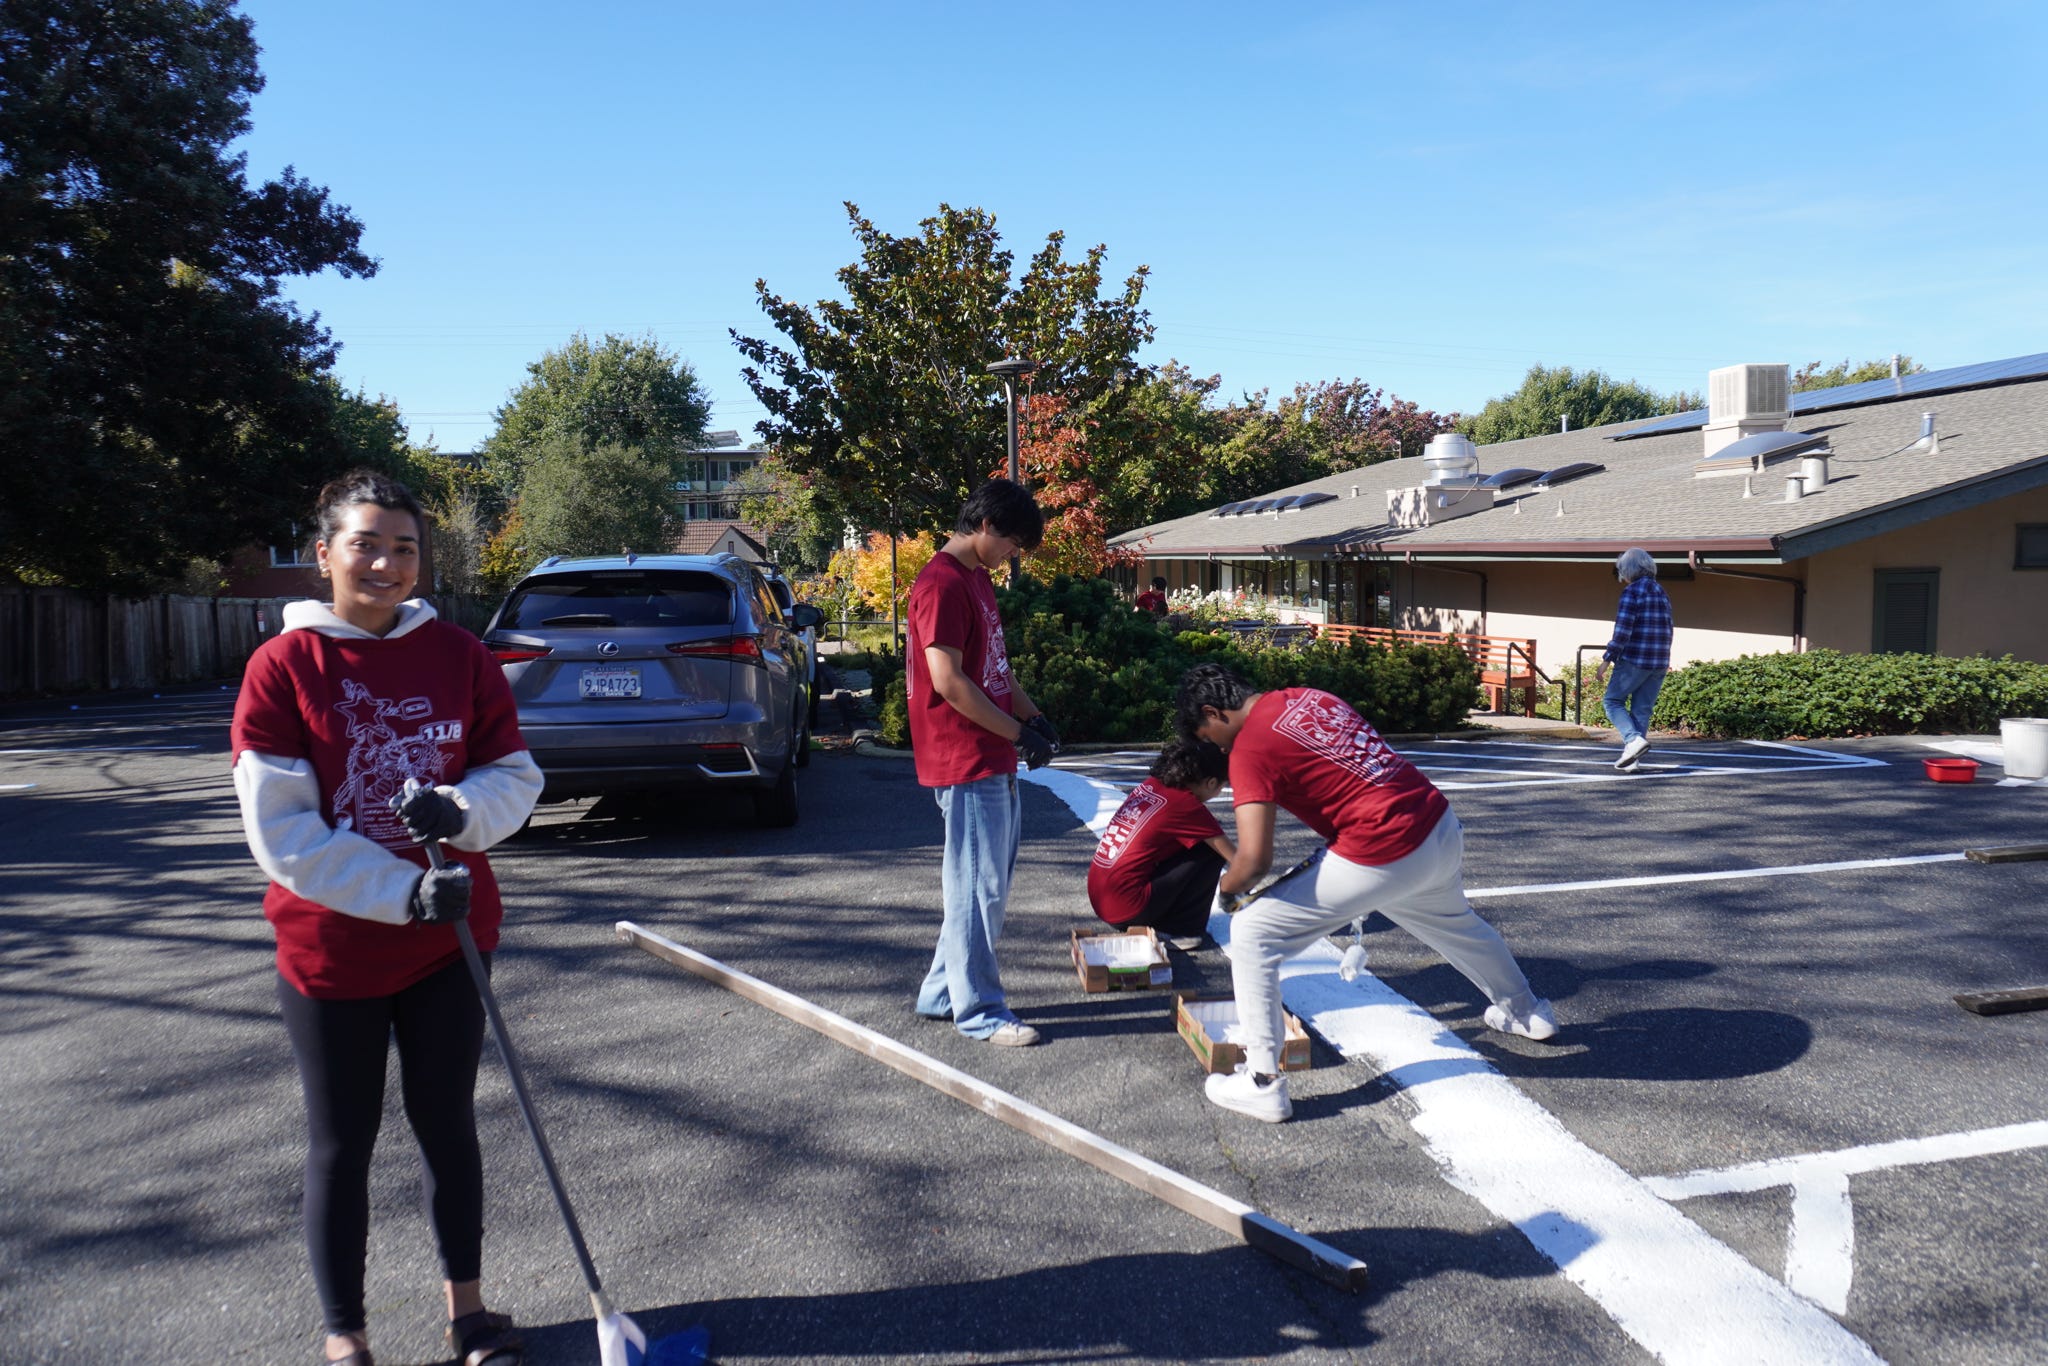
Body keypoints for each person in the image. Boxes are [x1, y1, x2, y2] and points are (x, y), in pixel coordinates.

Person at [232, 469, 543, 1366]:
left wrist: (462, 811)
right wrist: (399, 891)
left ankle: (470, 1315)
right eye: (366, 543)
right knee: (343, 1142)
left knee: (447, 1121)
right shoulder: (284, 667)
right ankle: (347, 1336)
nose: (386, 562)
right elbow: (282, 829)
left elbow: (513, 775)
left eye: (404, 547)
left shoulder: (458, 655)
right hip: (332, 951)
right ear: (324, 552)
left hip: (451, 941)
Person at [1177, 662, 1556, 1123]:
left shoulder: (1249, 748)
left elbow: (1254, 860)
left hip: (1382, 845)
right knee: (1459, 926)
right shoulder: (1311, 696)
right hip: (1434, 823)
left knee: (1254, 931)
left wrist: (1228, 891)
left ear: (1214, 712)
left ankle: (1262, 1083)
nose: (1216, 747)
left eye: (1209, 736)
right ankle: (1527, 1011)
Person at [906, 478, 1058, 1046]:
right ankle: (981, 1013)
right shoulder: (942, 583)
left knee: (981, 886)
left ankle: (943, 993)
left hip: (990, 753)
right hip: (965, 756)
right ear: (987, 526)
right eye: (1014, 544)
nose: (1014, 555)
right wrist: (1018, 734)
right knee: (978, 890)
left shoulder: (975, 578)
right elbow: (948, 681)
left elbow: (995, 667)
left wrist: (1034, 719)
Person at [1087, 738, 1235, 949]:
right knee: (1210, 851)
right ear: (1211, 782)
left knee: (1201, 839)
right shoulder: (1186, 805)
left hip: (1103, 900)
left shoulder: (1152, 785)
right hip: (1128, 908)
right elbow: (1237, 859)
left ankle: (1161, 916)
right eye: (1221, 786)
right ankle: (1182, 931)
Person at [1595, 547, 1673, 771]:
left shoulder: (1631, 592)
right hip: (1659, 660)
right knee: (1641, 710)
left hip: (1635, 659)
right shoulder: (1660, 591)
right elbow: (1668, 627)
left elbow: (1623, 630)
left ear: (1628, 570)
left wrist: (1607, 659)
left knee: (1612, 701)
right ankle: (1633, 759)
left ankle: (1632, 740)